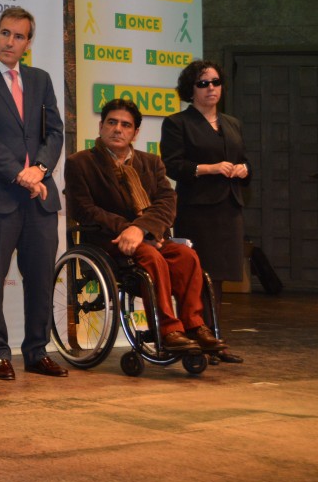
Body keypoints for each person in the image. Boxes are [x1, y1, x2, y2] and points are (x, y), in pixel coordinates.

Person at [65, 99, 228, 354]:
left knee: (187, 256)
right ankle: (168, 330)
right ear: (101, 126)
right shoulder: (80, 163)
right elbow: (84, 209)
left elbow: (166, 201)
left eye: (125, 125)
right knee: (150, 256)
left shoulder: (151, 162)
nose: (118, 129)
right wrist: (126, 229)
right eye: (112, 122)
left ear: (135, 133)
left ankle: (195, 326)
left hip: (149, 236)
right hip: (107, 241)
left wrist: (140, 229)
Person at [0, 6, 67, 380]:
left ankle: (37, 351)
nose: (10, 41)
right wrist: (19, 174)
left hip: (40, 197)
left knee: (40, 279)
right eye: (5, 33)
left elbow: (55, 132)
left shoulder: (40, 79)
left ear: (28, 43)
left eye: (19, 36)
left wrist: (40, 169)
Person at [161, 60, 250, 364]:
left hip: (230, 208)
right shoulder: (177, 123)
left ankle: (216, 340)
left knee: (221, 279)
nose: (211, 88)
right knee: (199, 277)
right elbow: (172, 165)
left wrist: (243, 169)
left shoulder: (232, 123)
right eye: (203, 83)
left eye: (215, 82)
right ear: (191, 89)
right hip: (197, 209)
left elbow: (246, 161)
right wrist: (208, 168)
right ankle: (197, 335)